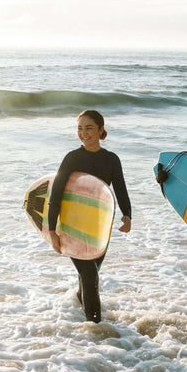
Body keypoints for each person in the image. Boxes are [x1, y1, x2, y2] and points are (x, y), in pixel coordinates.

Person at [46, 109, 132, 323]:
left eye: (89, 128)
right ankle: (95, 328)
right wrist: (52, 229)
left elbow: (120, 189)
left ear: (101, 130)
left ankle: (78, 301)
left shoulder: (111, 159)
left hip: (99, 226)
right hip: (71, 224)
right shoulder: (72, 158)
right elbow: (56, 193)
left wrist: (127, 215)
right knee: (90, 274)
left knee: (90, 273)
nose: (84, 133)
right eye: (80, 128)